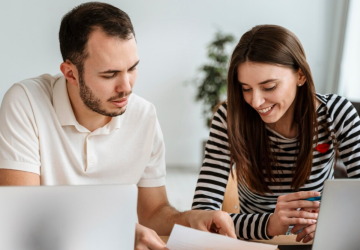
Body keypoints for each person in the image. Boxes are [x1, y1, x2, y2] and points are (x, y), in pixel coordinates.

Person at [0, 2, 236, 250]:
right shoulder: (26, 102)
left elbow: (153, 212)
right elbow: (21, 218)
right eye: (109, 74)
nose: (126, 87)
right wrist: (117, 231)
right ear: (70, 74)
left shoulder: (144, 116)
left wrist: (188, 219)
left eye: (132, 68)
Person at [192, 24, 360, 243]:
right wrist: (270, 224)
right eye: (246, 88)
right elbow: (203, 218)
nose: (256, 101)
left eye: (269, 87)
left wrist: (333, 222)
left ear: (300, 75)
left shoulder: (336, 113)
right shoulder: (229, 118)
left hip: (319, 241)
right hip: (257, 244)